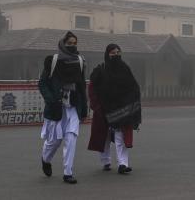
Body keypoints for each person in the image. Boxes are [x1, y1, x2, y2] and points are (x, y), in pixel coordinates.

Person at [38, 31, 88, 184]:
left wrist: (84, 107)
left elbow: (81, 86)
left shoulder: (80, 61)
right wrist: (51, 99)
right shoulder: (52, 61)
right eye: (69, 43)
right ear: (62, 44)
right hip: (56, 107)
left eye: (74, 43)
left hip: (72, 106)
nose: (72, 46)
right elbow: (43, 83)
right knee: (54, 141)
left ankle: (68, 172)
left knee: (71, 138)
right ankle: (46, 159)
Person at [88, 44, 142, 175]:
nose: (116, 55)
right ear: (107, 54)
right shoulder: (100, 70)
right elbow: (92, 88)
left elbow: (134, 87)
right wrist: (96, 106)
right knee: (104, 136)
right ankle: (106, 161)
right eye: (113, 53)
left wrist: (131, 105)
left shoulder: (125, 69)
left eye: (118, 52)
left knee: (120, 136)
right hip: (104, 108)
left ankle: (123, 164)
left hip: (121, 109)